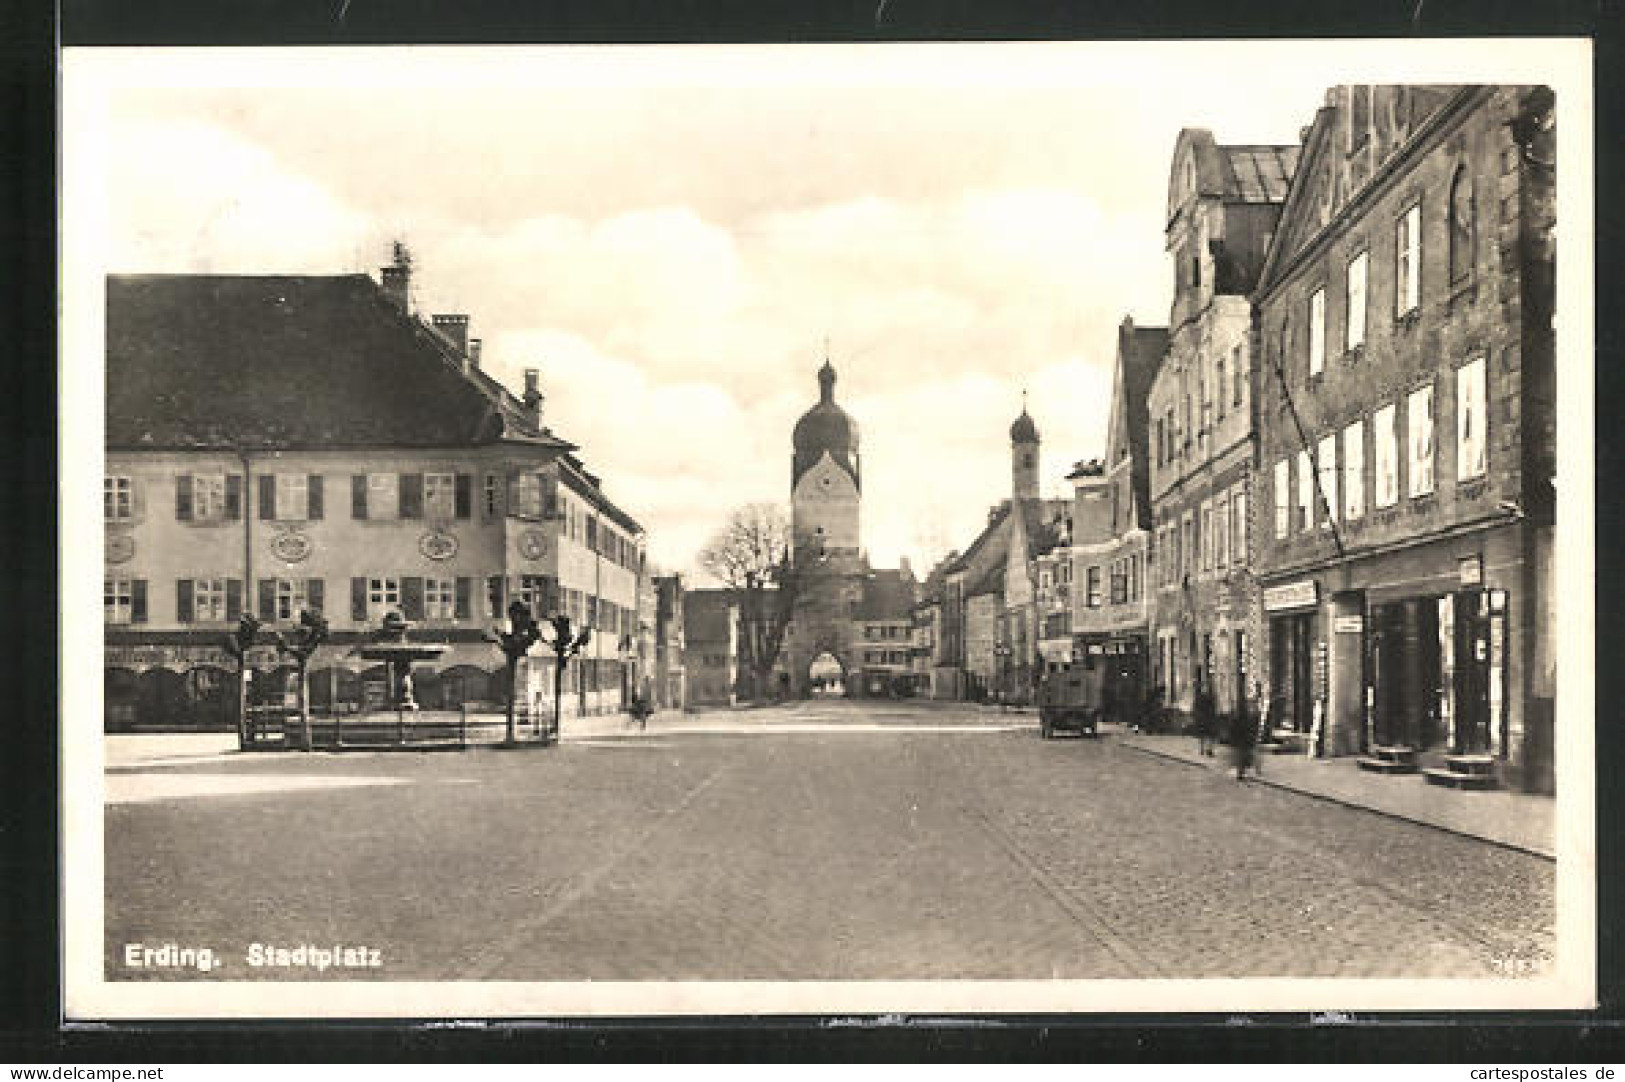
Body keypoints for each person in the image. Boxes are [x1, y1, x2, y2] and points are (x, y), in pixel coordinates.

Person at [1231, 690, 1261, 781]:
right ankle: (1242, 771)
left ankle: (1248, 770)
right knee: (1243, 754)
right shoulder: (1242, 713)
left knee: (1248, 753)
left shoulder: (1255, 712)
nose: (1251, 704)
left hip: (1248, 735)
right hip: (1243, 736)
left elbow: (1255, 724)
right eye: (1250, 702)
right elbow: (1236, 725)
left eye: (1252, 702)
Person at [1192, 668, 1217, 757]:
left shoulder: (1210, 696)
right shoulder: (1201, 697)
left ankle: (1209, 750)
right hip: (1203, 718)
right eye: (1204, 687)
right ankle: (1202, 749)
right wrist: (1197, 715)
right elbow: (1196, 707)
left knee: (1210, 735)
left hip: (1209, 718)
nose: (1205, 689)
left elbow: (1213, 707)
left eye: (1206, 687)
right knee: (1203, 735)